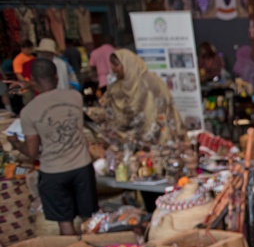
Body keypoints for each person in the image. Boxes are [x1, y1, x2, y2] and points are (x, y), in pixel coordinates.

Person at [7, 59, 96, 236]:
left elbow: (32, 153)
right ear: (56, 76)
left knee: (65, 222)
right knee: (90, 220)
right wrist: (33, 84)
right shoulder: (75, 97)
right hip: (82, 167)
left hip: (54, 173)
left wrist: (16, 143)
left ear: (32, 79)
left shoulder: (29, 111)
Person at [95, 49, 186, 145]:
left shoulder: (149, 80)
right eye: (112, 65)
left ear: (128, 64)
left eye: (116, 65)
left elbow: (165, 104)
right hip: (132, 140)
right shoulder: (116, 87)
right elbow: (108, 108)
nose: (113, 69)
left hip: (158, 135)